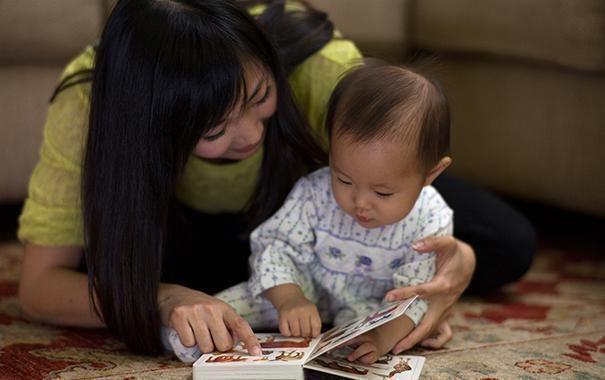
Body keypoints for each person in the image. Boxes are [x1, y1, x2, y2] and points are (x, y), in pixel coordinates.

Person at [16, 0, 535, 358]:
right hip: (182, 241)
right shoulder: (90, 102)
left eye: (261, 97)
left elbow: (394, 174)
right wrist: (163, 296)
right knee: (115, 264)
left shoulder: (320, 68)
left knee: (504, 242)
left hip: (329, 219)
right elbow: (39, 288)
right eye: (215, 128)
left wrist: (452, 271)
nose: (249, 135)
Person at [165, 60, 454, 363]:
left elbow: (417, 295)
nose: (360, 202)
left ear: (431, 174)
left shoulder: (431, 218)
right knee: (230, 308)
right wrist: (290, 298)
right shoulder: (314, 191)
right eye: (343, 178)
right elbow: (276, 246)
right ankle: (186, 334)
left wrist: (382, 336)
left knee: (402, 325)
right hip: (301, 283)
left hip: (371, 306)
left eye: (382, 192)